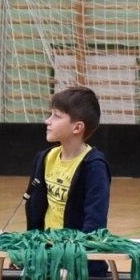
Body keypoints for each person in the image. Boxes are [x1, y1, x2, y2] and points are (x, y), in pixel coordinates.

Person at [26, 86, 110, 234]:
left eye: (57, 116)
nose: (47, 121)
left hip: (76, 252)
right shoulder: (45, 158)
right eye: (50, 114)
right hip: (45, 250)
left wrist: (77, 251)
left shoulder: (94, 167)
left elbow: (95, 222)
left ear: (77, 128)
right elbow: (34, 208)